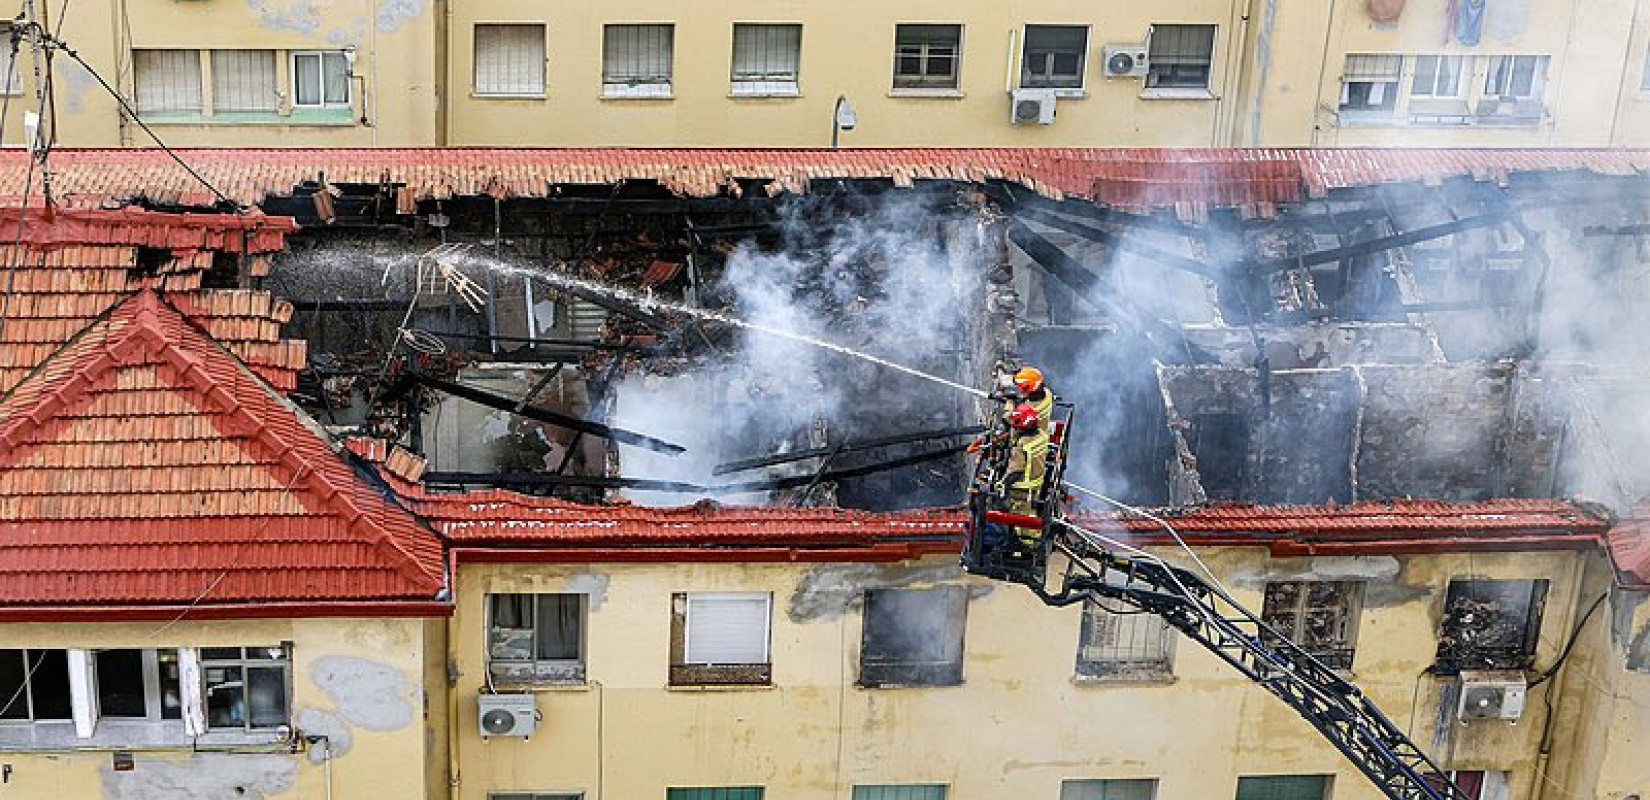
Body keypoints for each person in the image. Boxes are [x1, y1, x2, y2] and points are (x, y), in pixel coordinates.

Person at [1001, 402, 1050, 541]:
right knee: (1029, 510)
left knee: (1021, 519)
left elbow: (1015, 472)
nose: (1015, 428)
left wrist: (1002, 485)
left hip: (1021, 489)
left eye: (1017, 425)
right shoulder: (1042, 435)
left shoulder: (1022, 445)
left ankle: (1027, 543)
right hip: (1036, 483)